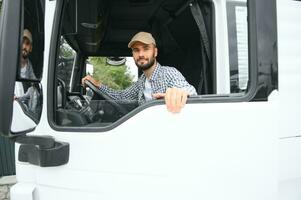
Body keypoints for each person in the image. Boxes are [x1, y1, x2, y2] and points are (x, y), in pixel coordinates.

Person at [82, 31, 197, 113]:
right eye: (136, 50)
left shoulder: (168, 73)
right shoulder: (141, 81)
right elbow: (121, 96)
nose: (141, 54)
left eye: (146, 48)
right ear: (133, 54)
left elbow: (189, 91)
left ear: (155, 52)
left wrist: (180, 94)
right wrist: (98, 85)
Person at [14, 29, 39, 115]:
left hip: (22, 104)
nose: (24, 46)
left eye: (27, 44)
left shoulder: (29, 65)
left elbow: (34, 81)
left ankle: (32, 115)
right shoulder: (11, 61)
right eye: (22, 42)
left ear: (31, 48)